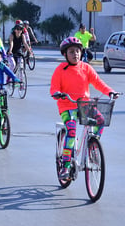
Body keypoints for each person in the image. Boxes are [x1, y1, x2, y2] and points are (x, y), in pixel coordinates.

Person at [50, 37, 119, 180]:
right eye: (71, 52)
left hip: (84, 105)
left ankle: (93, 145)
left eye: (77, 51)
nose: (75, 54)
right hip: (67, 106)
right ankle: (66, 165)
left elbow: (98, 83)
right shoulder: (60, 70)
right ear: (65, 54)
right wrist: (57, 94)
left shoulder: (86, 68)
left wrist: (110, 92)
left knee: (100, 120)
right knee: (71, 130)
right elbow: (54, 87)